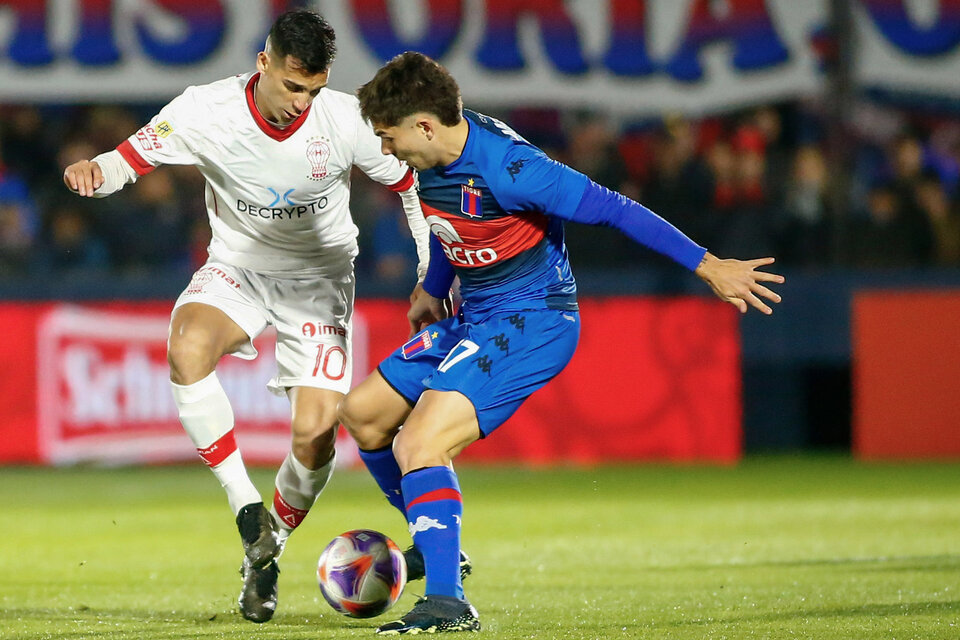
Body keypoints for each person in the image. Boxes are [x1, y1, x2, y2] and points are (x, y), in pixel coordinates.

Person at [337, 52, 784, 635]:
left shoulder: (513, 167)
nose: (386, 150)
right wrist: (433, 286)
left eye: (389, 137)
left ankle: (447, 604)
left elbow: (616, 209)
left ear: (424, 125)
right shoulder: (431, 159)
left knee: (420, 440)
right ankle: (439, 542)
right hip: (474, 314)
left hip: (531, 321)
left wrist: (709, 266)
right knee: (365, 416)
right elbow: (453, 227)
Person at [62, 11, 432, 624]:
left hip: (318, 284)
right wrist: (94, 172)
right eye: (293, 86)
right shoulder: (205, 110)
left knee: (314, 440)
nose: (302, 102)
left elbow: (411, 186)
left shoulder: (344, 119)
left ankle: (268, 553)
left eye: (313, 89)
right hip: (238, 267)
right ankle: (246, 510)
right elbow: (127, 159)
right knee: (185, 349)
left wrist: (427, 269)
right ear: (263, 64)